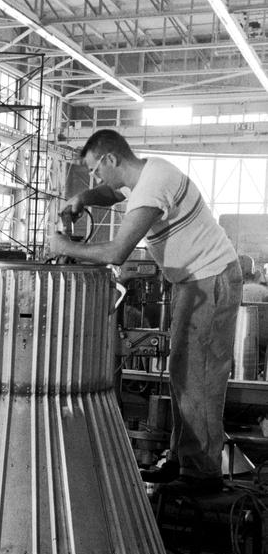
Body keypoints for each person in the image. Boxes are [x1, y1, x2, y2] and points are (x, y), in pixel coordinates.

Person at [47, 128, 241, 495]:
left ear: (110, 159)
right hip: (191, 280)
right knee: (182, 372)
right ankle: (184, 460)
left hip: (210, 279)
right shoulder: (143, 176)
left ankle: (202, 474)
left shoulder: (153, 186)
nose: (96, 178)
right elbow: (111, 191)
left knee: (197, 375)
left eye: (95, 171)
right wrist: (84, 197)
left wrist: (62, 245)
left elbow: (116, 252)